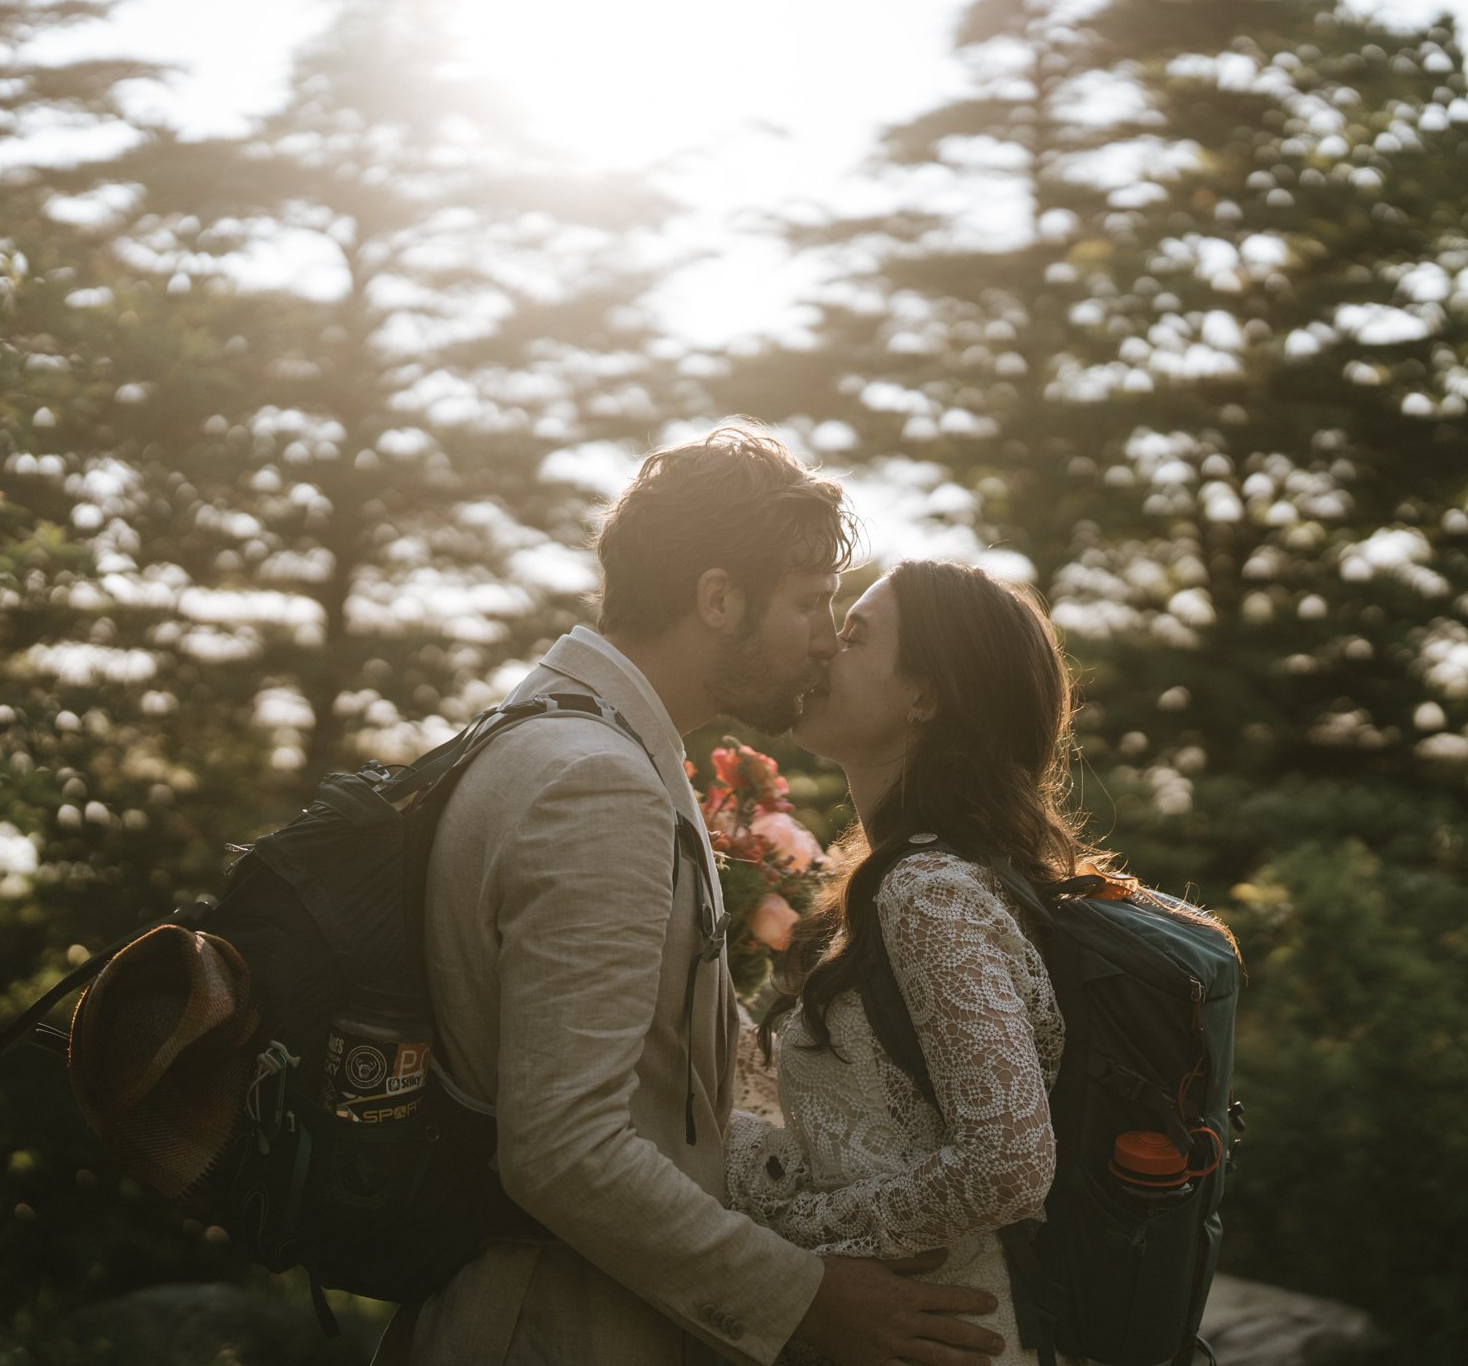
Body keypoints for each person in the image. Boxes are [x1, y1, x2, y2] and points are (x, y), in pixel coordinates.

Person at [387, 427, 1007, 1366]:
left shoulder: (557, 733)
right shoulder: (592, 783)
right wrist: (799, 1299)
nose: (824, 638)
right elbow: (564, 1150)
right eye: (809, 603)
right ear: (718, 598)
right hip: (564, 1331)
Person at [728, 559, 1109, 1366]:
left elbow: (1008, 1166)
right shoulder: (910, 881)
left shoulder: (927, 892)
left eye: (857, 635)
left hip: (949, 1337)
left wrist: (794, 1239)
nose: (825, 645)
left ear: (925, 697)